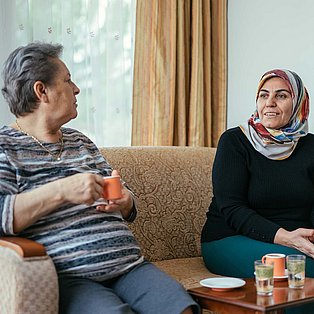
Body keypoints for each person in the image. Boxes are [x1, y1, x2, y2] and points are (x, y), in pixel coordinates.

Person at [0, 42, 199, 314]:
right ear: (41, 90)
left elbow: (124, 198)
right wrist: (61, 190)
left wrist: (126, 200)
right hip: (72, 277)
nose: (77, 88)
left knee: (181, 308)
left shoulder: (80, 141)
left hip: (130, 267)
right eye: (68, 81)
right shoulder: (6, 147)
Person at [201, 69, 314, 276]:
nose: (270, 102)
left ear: (298, 103)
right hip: (231, 238)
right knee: (297, 271)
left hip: (296, 240)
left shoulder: (311, 146)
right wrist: (287, 238)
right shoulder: (234, 141)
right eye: (264, 95)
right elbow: (232, 208)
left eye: (281, 95)